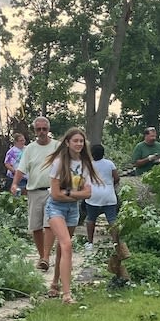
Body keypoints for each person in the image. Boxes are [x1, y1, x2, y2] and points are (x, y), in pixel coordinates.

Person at [44, 127, 98, 304]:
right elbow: (55, 194)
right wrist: (74, 193)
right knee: (67, 245)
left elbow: (88, 193)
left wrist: (68, 193)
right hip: (56, 208)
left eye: (81, 141)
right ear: (67, 143)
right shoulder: (59, 163)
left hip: (73, 209)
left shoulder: (85, 165)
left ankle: (55, 283)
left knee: (62, 248)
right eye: (75, 141)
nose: (79, 144)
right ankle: (67, 295)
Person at [10, 118, 58, 270]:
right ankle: (41, 255)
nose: (42, 132)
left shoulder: (57, 146)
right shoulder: (30, 149)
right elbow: (21, 168)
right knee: (36, 226)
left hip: (52, 190)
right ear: (35, 131)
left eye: (44, 129)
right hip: (34, 191)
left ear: (48, 129)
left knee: (49, 223)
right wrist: (15, 183)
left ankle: (46, 256)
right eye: (39, 129)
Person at [84, 143, 120, 249]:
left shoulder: (88, 165)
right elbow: (116, 178)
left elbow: (84, 180)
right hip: (108, 195)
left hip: (93, 195)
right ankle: (115, 243)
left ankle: (90, 243)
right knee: (112, 219)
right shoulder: (110, 164)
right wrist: (110, 186)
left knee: (91, 219)